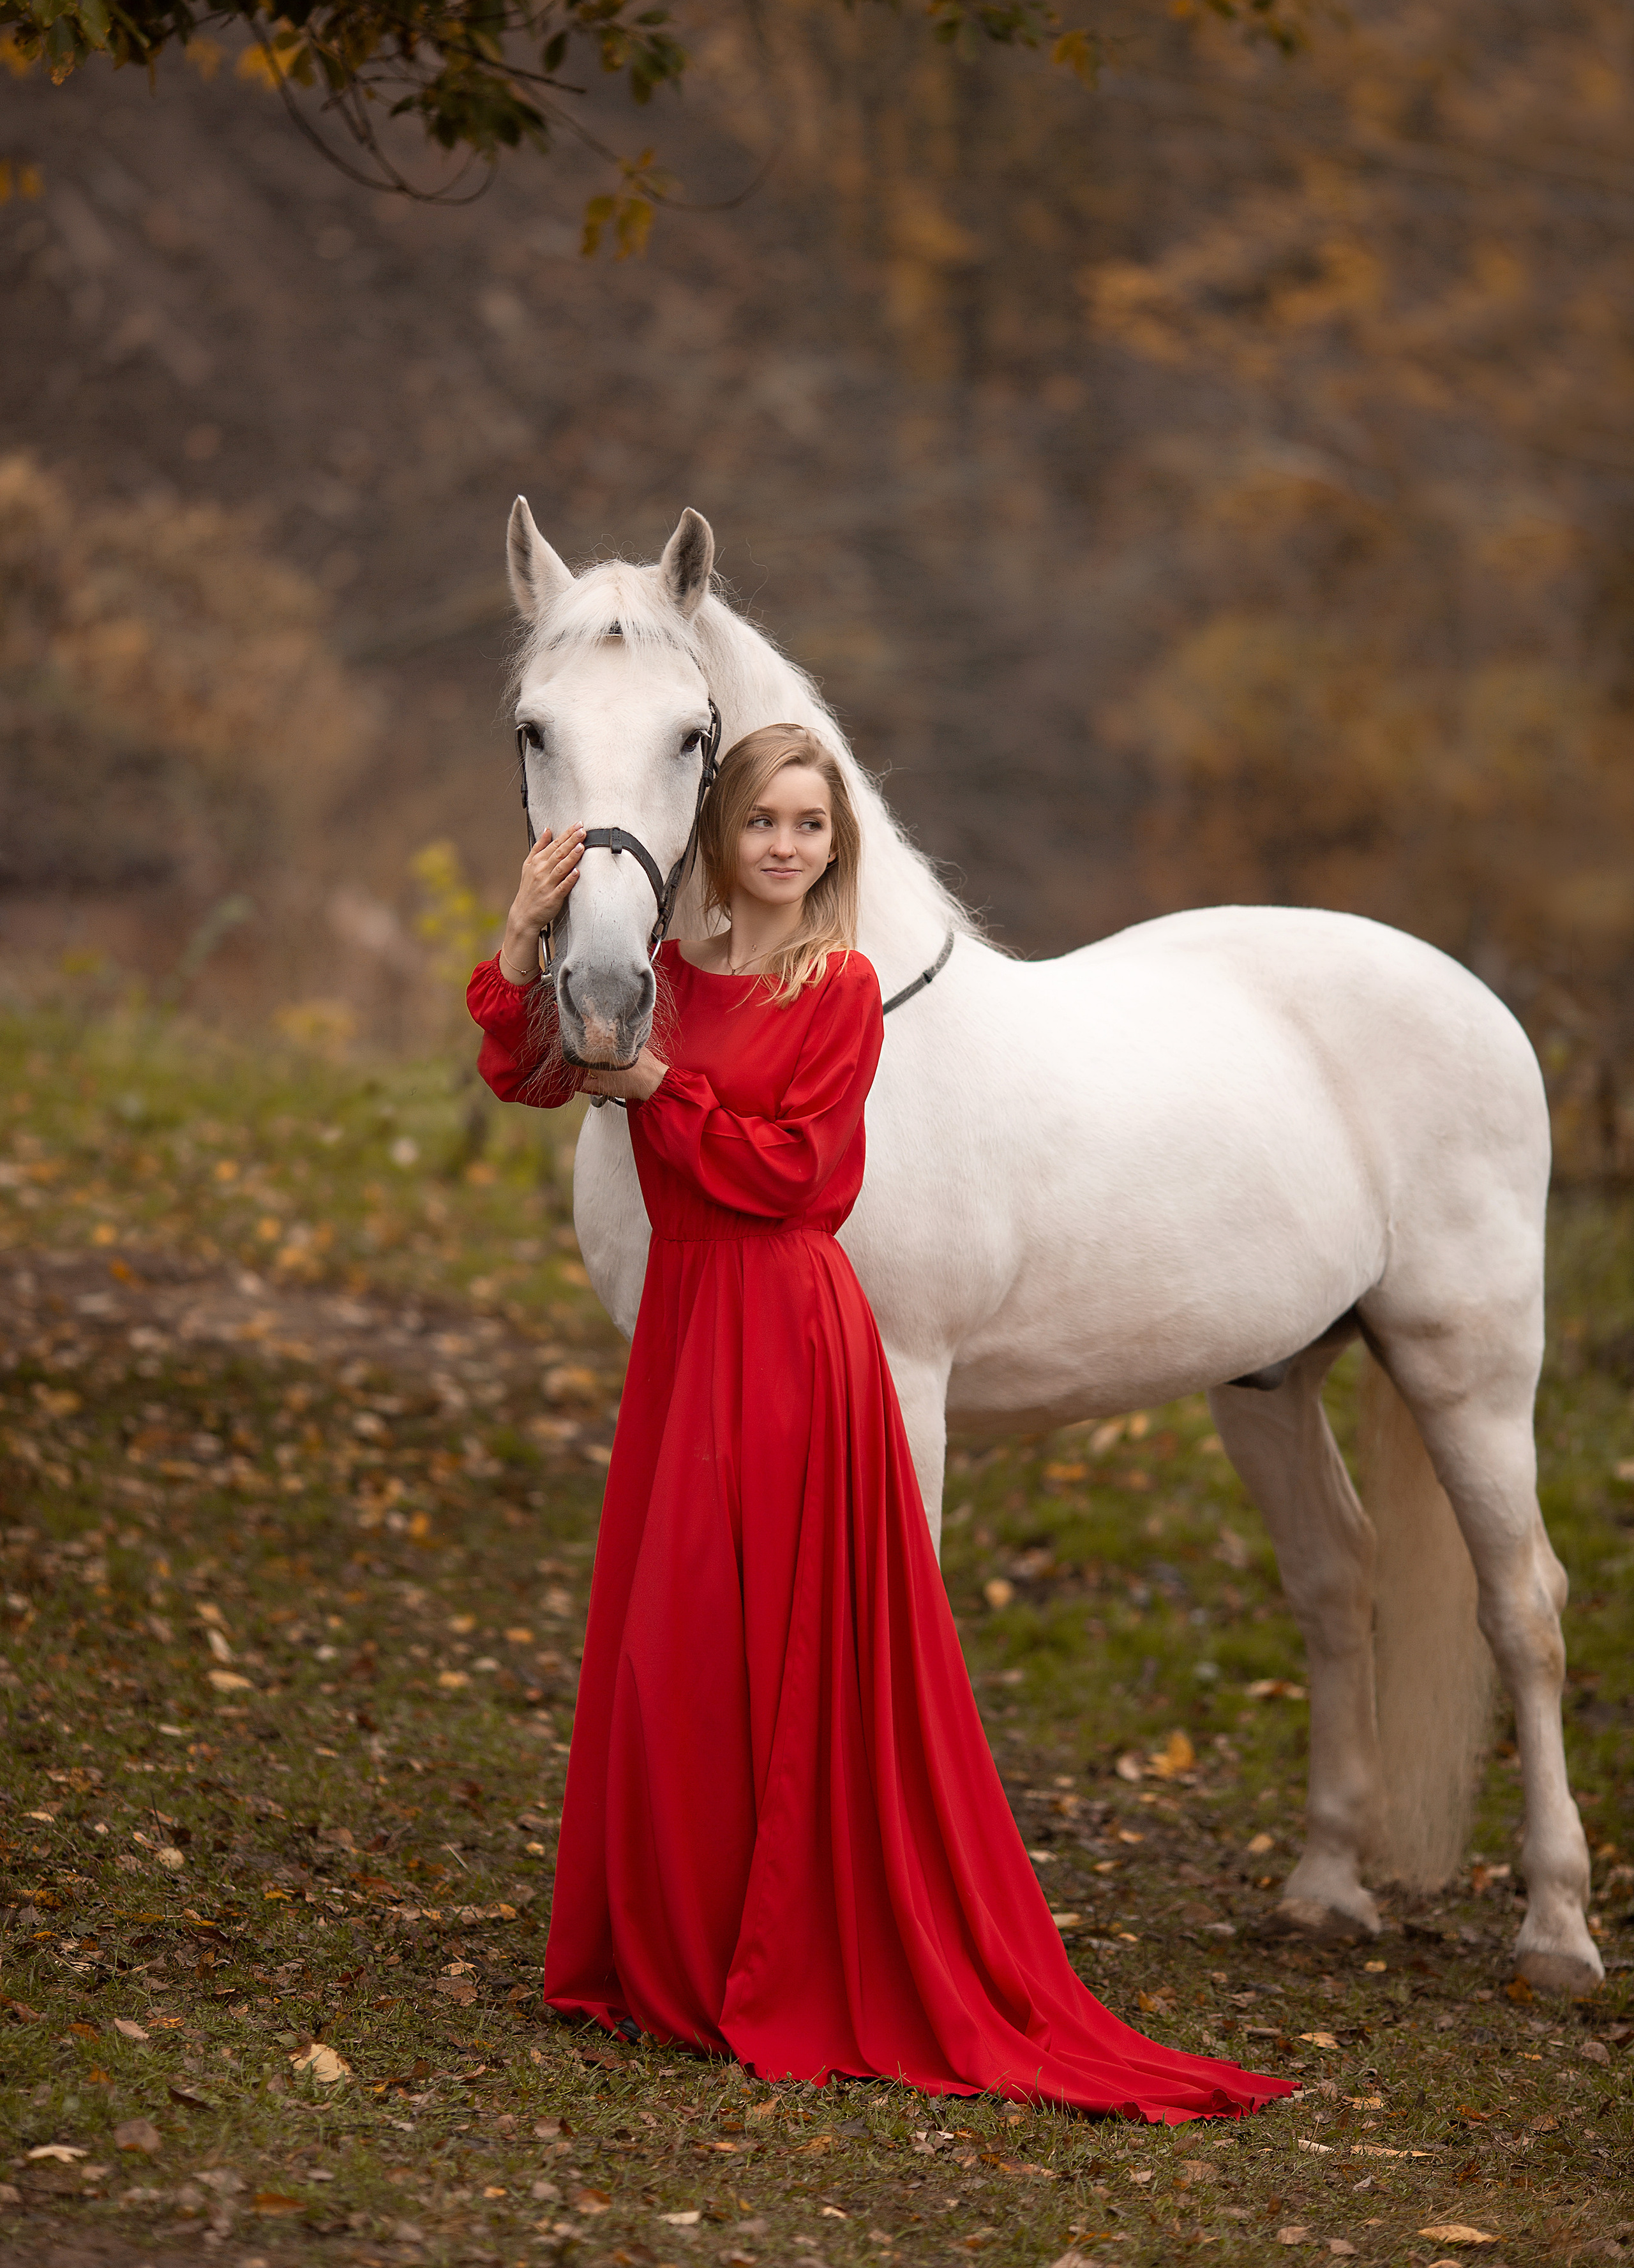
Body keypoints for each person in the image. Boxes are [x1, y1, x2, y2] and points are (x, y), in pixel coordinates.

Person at [467, 722, 1293, 2120]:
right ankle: (675, 1945)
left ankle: (798, 1946)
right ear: (714, 842)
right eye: (763, 824)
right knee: (681, 1637)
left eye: (810, 825)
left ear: (831, 847)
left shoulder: (838, 989)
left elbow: (799, 1180)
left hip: (789, 1332)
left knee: (787, 1644)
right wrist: (517, 935)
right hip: (686, 1331)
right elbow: (528, 1074)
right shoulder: (655, 978)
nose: (786, 847)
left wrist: (663, 1089)